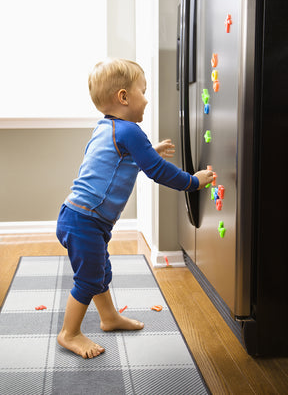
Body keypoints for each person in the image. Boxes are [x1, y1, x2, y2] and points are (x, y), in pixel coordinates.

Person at [56, 58, 213, 359]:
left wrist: (148, 151)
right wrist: (193, 181)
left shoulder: (107, 128)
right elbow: (158, 171)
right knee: (89, 278)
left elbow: (117, 161)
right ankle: (70, 333)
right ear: (124, 97)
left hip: (81, 217)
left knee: (99, 271)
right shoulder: (130, 132)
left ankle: (109, 317)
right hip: (84, 220)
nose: (147, 98)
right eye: (143, 91)